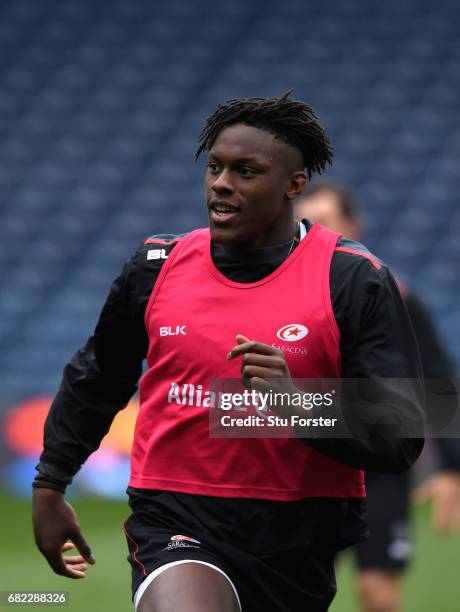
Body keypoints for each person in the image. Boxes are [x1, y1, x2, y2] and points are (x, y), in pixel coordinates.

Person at [32, 92, 424, 612]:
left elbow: (403, 431)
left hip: (298, 538)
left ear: (294, 185)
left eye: (246, 171)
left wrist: (297, 403)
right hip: (176, 520)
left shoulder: (353, 279)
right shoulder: (155, 266)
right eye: (215, 167)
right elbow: (98, 377)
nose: (221, 182)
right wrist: (50, 482)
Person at [296, 182, 460, 612]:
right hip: (307, 470)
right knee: (293, 591)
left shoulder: (396, 296)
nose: (315, 236)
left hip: (379, 469)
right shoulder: (282, 300)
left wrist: (450, 468)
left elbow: (436, 377)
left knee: (378, 592)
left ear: (353, 226)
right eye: (305, 226)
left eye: (326, 223)